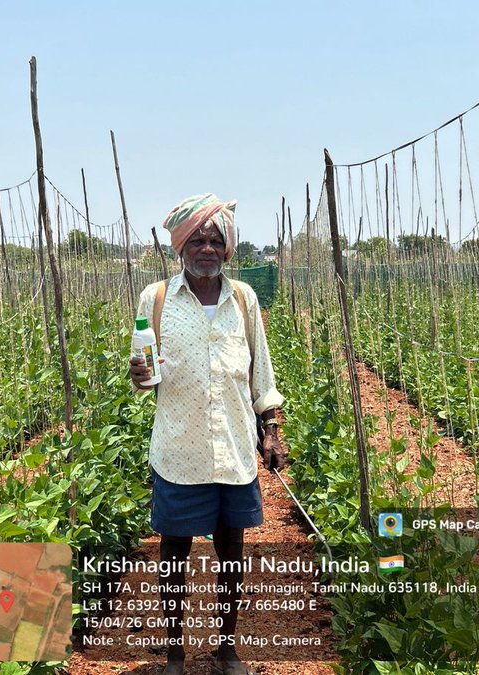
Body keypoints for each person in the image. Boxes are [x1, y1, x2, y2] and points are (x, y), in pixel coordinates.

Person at [128, 193, 284, 675]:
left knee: (231, 551)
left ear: (228, 248)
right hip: (179, 448)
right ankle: (174, 653)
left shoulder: (244, 299)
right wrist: (138, 374)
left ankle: (226, 648)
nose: (207, 248)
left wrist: (272, 428)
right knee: (173, 552)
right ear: (180, 246)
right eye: (197, 238)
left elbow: (261, 371)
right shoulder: (155, 299)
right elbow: (142, 372)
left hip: (235, 448)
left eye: (216, 239)